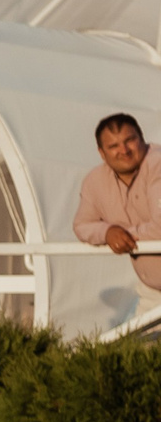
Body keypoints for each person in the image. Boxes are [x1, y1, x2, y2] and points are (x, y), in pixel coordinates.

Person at [71, 111, 161, 306]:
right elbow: (82, 225)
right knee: (139, 337)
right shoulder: (94, 181)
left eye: (130, 140)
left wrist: (123, 235)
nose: (124, 150)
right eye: (113, 146)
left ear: (142, 139)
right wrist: (108, 232)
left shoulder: (158, 164)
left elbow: (160, 228)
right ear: (101, 153)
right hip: (152, 292)